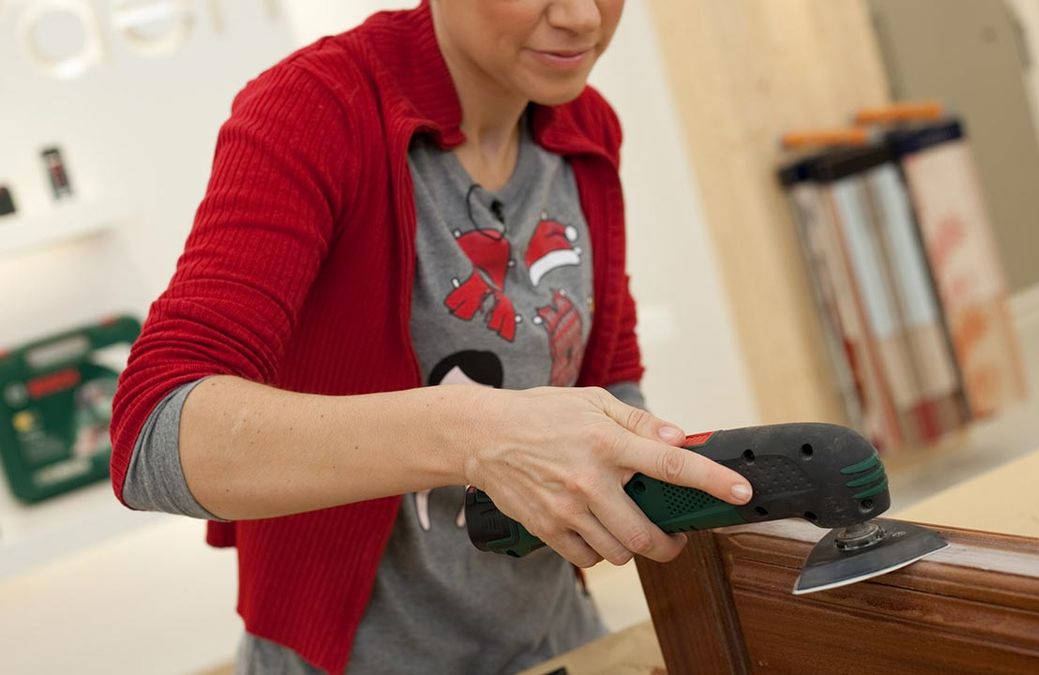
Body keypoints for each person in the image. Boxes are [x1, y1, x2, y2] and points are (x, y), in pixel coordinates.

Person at [109, 1, 753, 673]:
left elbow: (606, 374)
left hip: (555, 634)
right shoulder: (317, 107)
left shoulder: (587, 127)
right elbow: (153, 435)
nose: (583, 18)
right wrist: (470, 431)